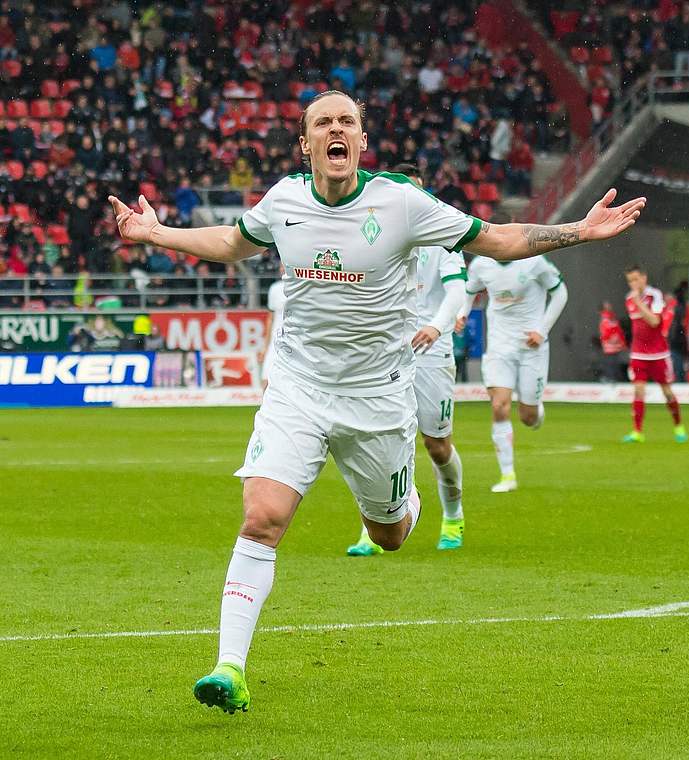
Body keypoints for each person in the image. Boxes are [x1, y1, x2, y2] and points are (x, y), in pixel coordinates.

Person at [108, 90, 645, 714]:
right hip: (298, 387)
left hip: (377, 398)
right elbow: (232, 241)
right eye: (322, 123)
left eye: (347, 122)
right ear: (305, 144)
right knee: (262, 514)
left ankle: (406, 498)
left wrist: (581, 230)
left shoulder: (401, 203)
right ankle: (230, 666)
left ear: (361, 141)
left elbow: (495, 239)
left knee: (389, 535)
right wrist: (156, 233)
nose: (336, 131)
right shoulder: (283, 200)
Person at [347, 164, 469, 556]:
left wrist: (435, 326)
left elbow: (456, 293)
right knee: (373, 440)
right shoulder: (374, 234)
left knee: (437, 445)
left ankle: (453, 513)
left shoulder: (441, 235)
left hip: (431, 352)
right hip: (385, 352)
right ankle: (373, 527)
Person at [454, 252, 568, 494]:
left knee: (528, 417)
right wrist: (462, 313)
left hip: (532, 346)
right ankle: (507, 474)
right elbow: (469, 290)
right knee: (499, 406)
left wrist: (542, 329)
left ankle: (535, 409)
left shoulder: (534, 261)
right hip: (499, 346)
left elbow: (560, 293)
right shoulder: (481, 265)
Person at [622, 265, 686, 443]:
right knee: (638, 391)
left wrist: (639, 303)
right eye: (630, 281)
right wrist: (635, 301)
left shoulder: (654, 296)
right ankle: (637, 432)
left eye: (635, 279)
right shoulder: (629, 299)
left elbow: (654, 321)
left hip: (658, 354)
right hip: (638, 353)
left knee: (667, 392)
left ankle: (678, 426)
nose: (633, 283)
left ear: (644, 278)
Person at [260, 264, 285, 390]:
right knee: (265, 379)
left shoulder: (301, 288)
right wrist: (265, 346)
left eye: (284, 265)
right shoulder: (275, 289)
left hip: (294, 341)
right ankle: (264, 408)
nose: (282, 268)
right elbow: (270, 318)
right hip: (275, 341)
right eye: (280, 266)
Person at [598, 300, 628, 382]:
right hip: (609, 345)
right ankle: (609, 377)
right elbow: (606, 332)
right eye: (607, 306)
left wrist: (622, 342)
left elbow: (618, 330)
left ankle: (613, 378)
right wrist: (612, 336)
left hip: (615, 346)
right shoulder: (605, 318)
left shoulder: (611, 317)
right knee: (610, 362)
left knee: (615, 362)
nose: (610, 307)